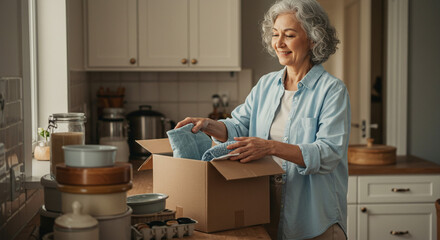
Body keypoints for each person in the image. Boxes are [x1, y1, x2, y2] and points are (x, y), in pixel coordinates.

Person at [175, 0, 350, 239]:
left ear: (313, 39)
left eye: (288, 35)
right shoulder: (266, 84)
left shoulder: (331, 90)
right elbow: (239, 126)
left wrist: (269, 147)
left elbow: (328, 153)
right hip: (262, 204)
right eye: (275, 34)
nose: (278, 43)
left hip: (313, 216)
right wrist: (209, 125)